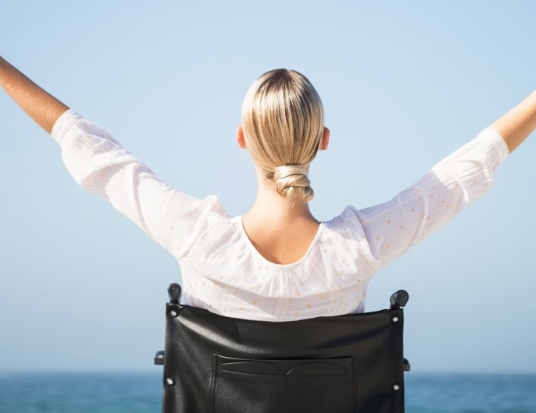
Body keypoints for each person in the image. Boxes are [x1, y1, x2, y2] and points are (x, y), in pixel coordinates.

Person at [1, 56, 535, 321]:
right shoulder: (362, 246)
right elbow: (463, 175)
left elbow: (95, 154)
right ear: (323, 140)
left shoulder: (196, 238)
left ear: (242, 138)